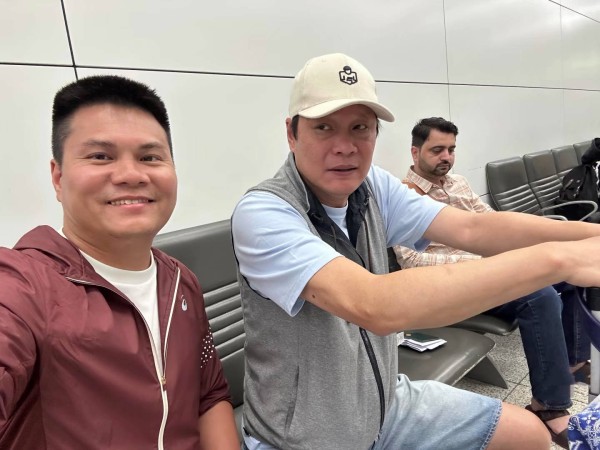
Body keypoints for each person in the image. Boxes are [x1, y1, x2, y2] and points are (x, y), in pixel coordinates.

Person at [232, 52, 600, 450]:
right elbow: (373, 305)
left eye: (360, 128)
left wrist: (586, 237)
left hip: (385, 404)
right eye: (323, 127)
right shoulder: (264, 214)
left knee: (529, 435)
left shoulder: (372, 186)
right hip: (306, 437)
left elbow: (472, 227)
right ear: (291, 133)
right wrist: (558, 259)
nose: (345, 147)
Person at [0, 75, 239, 449]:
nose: (131, 175)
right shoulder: (24, 286)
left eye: (149, 157)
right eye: (100, 156)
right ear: (58, 178)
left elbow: (209, 395)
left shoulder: (180, 281)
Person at [394, 116, 592, 448]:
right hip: (447, 283)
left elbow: (490, 222)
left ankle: (569, 364)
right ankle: (549, 406)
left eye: (451, 149)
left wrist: (518, 248)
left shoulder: (457, 182)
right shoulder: (404, 196)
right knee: (539, 294)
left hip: (486, 269)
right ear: (415, 152)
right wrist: (486, 265)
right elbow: (411, 261)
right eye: (437, 150)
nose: (446, 157)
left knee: (568, 272)